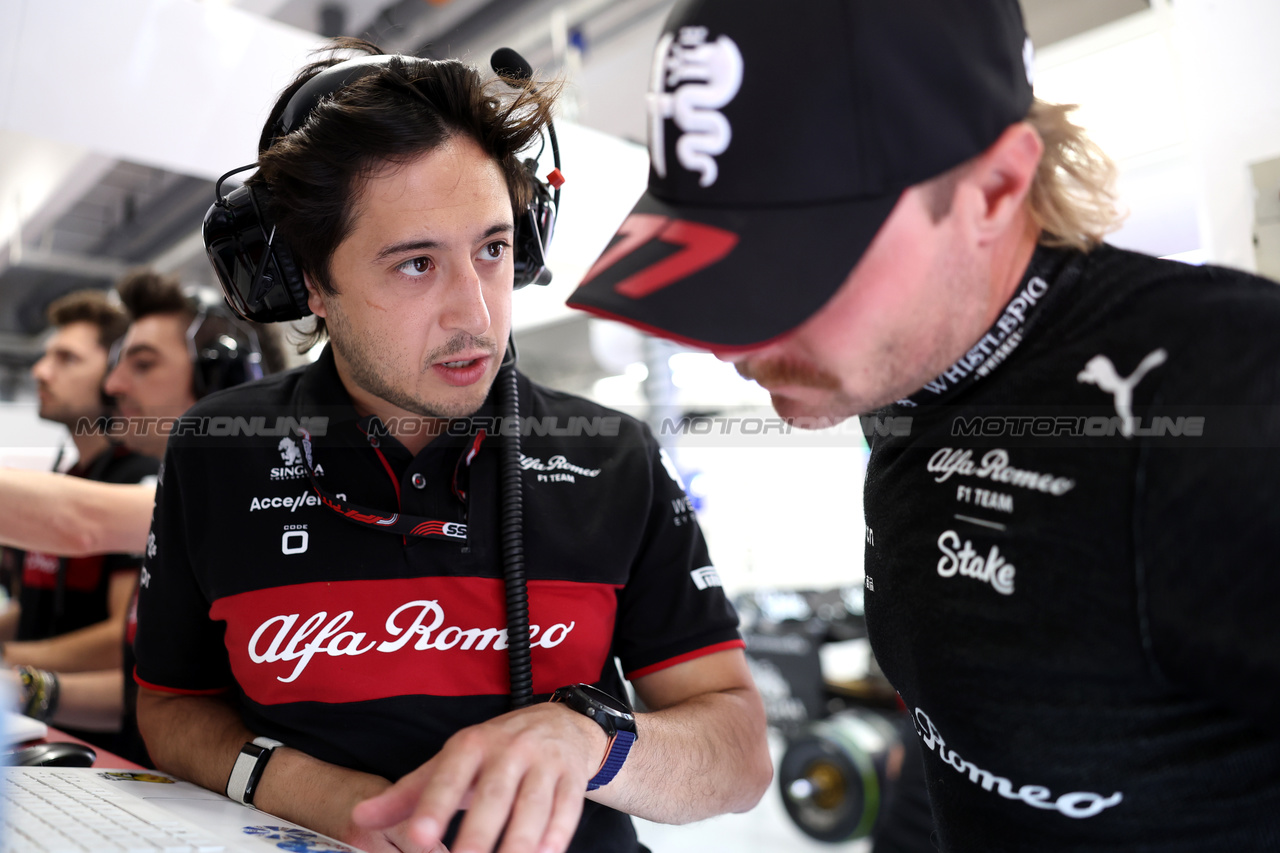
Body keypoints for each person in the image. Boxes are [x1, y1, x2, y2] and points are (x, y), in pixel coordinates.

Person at [567, 0, 1280, 849]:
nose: (732, 336)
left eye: (796, 266)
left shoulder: (1231, 400)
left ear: (996, 188)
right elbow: (964, 734)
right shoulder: (906, 392)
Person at [133, 39, 770, 853]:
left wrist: (593, 742)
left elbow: (740, 754)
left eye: (494, 249)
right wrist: (325, 796)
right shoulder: (216, 452)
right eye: (415, 263)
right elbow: (171, 704)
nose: (474, 312)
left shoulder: (615, 456)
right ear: (310, 281)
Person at [2, 269, 281, 765]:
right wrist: (27, 688)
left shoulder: (248, 495)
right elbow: (147, 697)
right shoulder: (184, 500)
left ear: (223, 380)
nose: (114, 386)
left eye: (143, 365)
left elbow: (76, 519)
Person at [0, 290, 158, 746]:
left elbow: (122, 636)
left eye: (66, 358)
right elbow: (33, 604)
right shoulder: (68, 474)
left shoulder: (139, 479)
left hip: (94, 739)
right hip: (40, 724)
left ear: (112, 375)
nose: (40, 371)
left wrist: (9, 659)